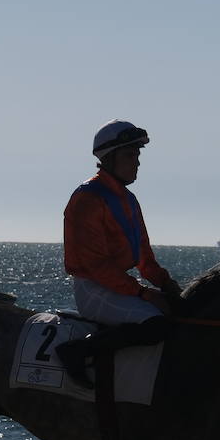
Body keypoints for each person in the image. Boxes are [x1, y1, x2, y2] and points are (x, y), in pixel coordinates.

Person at [60, 119, 182, 371]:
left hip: (117, 286)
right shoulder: (87, 198)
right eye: (129, 155)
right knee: (155, 324)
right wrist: (145, 293)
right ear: (108, 158)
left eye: (137, 155)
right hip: (93, 289)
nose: (137, 162)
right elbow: (97, 267)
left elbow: (145, 259)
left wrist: (168, 285)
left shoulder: (130, 200)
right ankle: (77, 353)